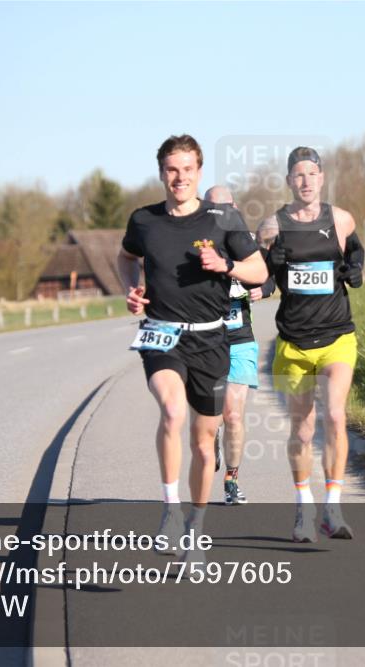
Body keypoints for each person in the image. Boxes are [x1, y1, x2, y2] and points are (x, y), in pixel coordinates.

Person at [117, 135, 267, 557]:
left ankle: (196, 526)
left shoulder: (223, 221)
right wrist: (131, 288)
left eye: (187, 169)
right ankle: (170, 511)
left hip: (212, 337)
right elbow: (126, 258)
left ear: (199, 172)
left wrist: (227, 265)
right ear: (161, 172)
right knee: (171, 409)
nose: (179, 177)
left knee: (204, 444)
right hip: (162, 333)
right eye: (171, 169)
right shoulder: (144, 221)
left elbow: (258, 269)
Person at [258, 147, 364, 542]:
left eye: (312, 174)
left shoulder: (340, 219)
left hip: (337, 335)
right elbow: (261, 277)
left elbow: (355, 249)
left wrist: (355, 268)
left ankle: (332, 508)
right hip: (294, 342)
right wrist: (273, 270)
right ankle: (304, 506)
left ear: (322, 178)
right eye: (298, 175)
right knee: (302, 432)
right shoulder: (271, 226)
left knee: (335, 416)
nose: (305, 181)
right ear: (289, 181)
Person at [203, 185, 276, 506]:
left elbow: (271, 272)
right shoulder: (196, 245)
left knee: (233, 415)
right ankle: (212, 437)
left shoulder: (243, 243)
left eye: (225, 205)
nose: (218, 212)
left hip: (239, 339)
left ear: (234, 206)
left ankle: (232, 480)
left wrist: (266, 288)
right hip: (204, 342)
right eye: (211, 206)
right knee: (210, 418)